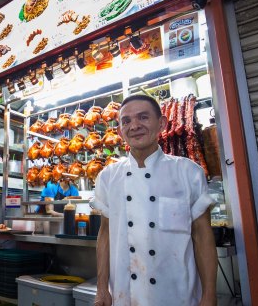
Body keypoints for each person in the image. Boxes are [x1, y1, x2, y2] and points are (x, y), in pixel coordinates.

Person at [91, 94, 217, 306]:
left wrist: (209, 295)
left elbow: (203, 236)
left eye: (143, 117)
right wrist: (102, 289)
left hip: (177, 294)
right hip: (125, 295)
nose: (134, 126)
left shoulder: (188, 172)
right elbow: (105, 234)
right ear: (120, 130)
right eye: (126, 121)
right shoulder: (108, 177)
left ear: (162, 123)